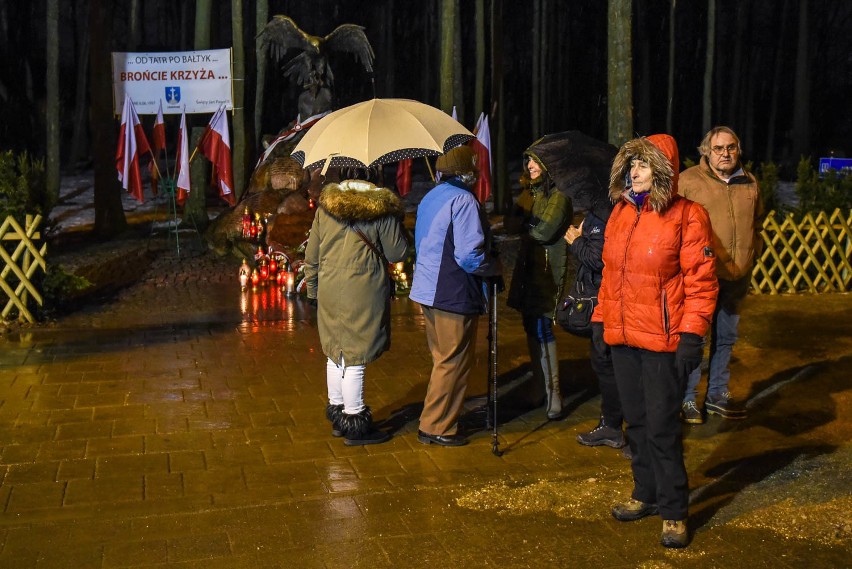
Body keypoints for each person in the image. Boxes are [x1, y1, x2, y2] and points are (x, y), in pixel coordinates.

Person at [592, 134, 718, 549]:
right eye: (631, 165)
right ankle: (644, 492)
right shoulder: (621, 214)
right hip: (624, 336)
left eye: (643, 165)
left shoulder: (688, 216)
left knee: (663, 426)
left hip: (664, 342)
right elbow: (611, 276)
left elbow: (701, 284)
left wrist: (691, 336)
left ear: (662, 170)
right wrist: (600, 320)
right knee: (637, 420)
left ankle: (674, 510)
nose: (635, 172)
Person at [303, 176, 409, 446]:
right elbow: (398, 253)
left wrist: (313, 291)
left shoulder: (325, 208)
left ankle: (338, 415)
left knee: (334, 351)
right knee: (355, 355)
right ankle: (355, 422)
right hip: (363, 290)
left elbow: (311, 255)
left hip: (329, 288)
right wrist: (397, 219)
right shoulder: (380, 211)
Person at [410, 145, 502, 447]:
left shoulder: (431, 196)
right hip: (452, 290)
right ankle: (436, 425)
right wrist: (491, 266)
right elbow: (467, 254)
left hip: (428, 289)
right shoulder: (463, 200)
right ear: (466, 170)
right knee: (453, 361)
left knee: (442, 359)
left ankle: (438, 419)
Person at [679, 127, 763, 424]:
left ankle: (716, 394)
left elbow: (757, 223)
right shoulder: (688, 182)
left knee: (726, 337)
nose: (725, 153)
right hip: (700, 277)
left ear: (738, 150)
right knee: (695, 338)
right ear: (706, 151)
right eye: (718, 148)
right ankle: (687, 399)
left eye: (730, 148)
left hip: (736, 275)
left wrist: (752, 255)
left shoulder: (749, 182)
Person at [505, 150, 572, 419]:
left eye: (535, 161)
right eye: (528, 161)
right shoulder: (531, 193)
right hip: (528, 269)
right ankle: (539, 386)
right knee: (529, 325)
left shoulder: (559, 196)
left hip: (547, 271)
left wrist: (525, 223)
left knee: (543, 326)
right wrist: (524, 206)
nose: (530, 166)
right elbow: (511, 224)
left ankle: (555, 391)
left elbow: (543, 231)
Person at [563, 210, 628, 455]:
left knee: (610, 362)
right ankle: (611, 424)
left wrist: (576, 241)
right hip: (604, 300)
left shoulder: (604, 214)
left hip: (608, 299)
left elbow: (599, 260)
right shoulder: (598, 213)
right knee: (604, 361)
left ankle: (618, 427)